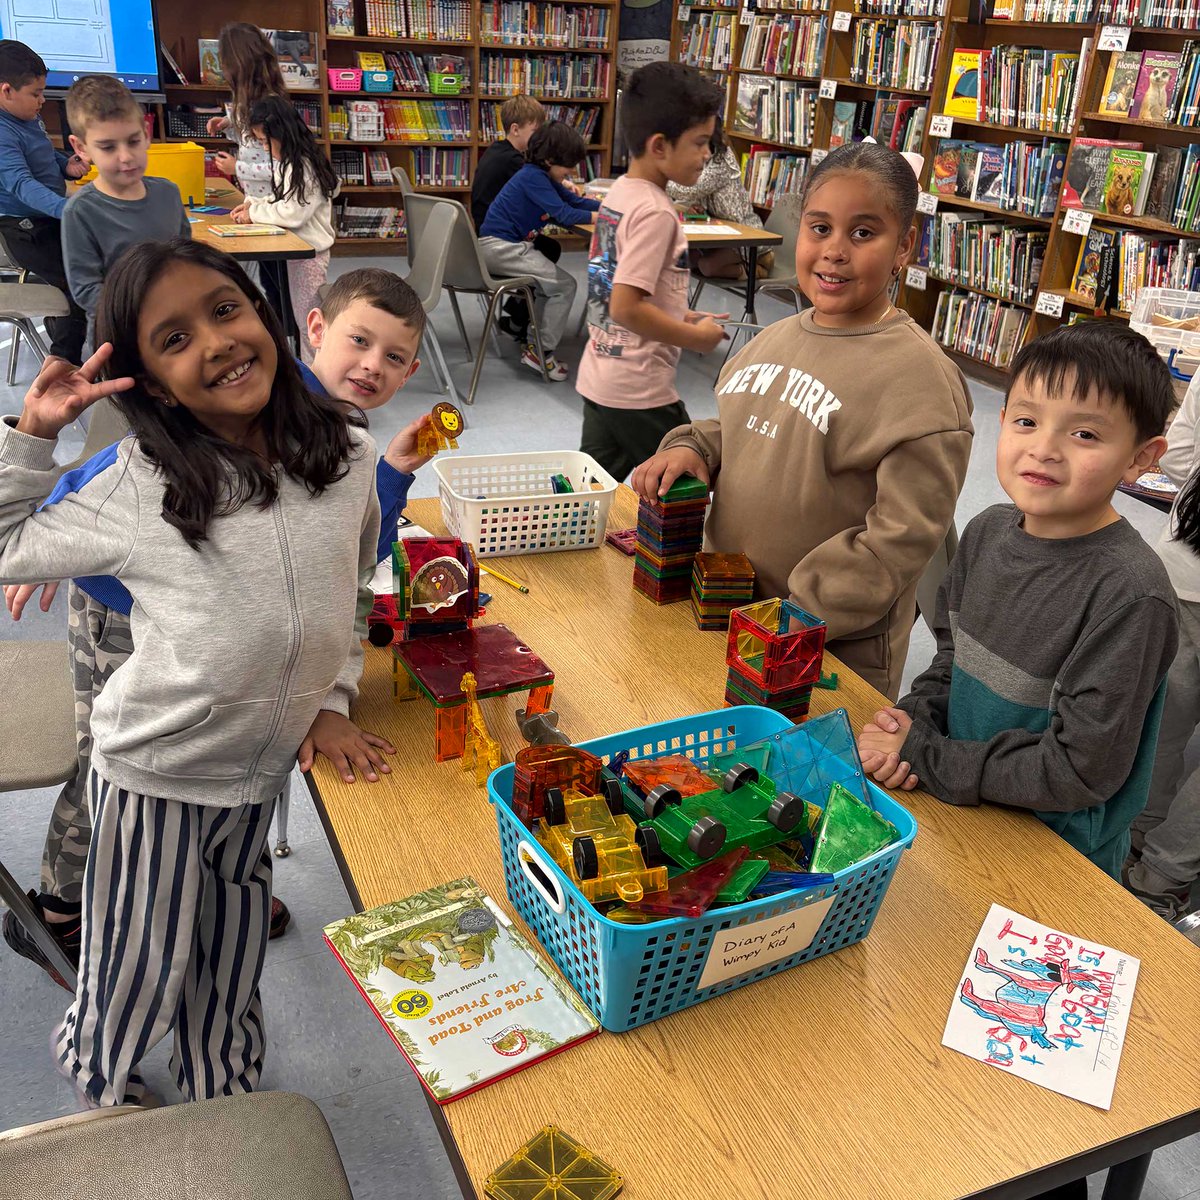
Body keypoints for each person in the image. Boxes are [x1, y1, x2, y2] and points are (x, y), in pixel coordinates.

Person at [0, 237, 385, 1107]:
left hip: (256, 774)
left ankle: (224, 1080)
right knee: (137, 962)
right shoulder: (142, 484)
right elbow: (6, 543)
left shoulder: (348, 454)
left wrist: (331, 697)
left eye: (223, 310)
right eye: (173, 340)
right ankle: (101, 1077)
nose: (213, 343)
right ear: (151, 382)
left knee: (230, 950)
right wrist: (33, 438)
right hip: (156, 780)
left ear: (265, 314)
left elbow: (347, 589)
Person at [632, 141, 973, 696]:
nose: (834, 251)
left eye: (863, 234)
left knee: (791, 776)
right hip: (721, 608)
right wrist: (692, 446)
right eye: (819, 228)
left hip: (823, 649)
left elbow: (903, 538)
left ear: (904, 245)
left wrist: (796, 614)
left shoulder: (921, 382)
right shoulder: (774, 336)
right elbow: (741, 427)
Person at [856, 321, 1179, 884]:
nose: (1045, 449)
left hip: (1054, 857)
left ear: (1140, 458)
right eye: (1027, 422)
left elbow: (1079, 772)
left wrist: (927, 756)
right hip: (965, 812)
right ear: (1001, 424)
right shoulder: (985, 533)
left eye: (1085, 435)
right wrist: (913, 717)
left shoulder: (1131, 596)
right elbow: (954, 661)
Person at [577, 62, 728, 483]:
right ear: (659, 146)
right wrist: (693, 337)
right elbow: (626, 306)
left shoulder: (621, 193)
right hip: (640, 388)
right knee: (692, 482)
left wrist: (684, 316)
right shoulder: (658, 213)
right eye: (700, 142)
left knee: (588, 495)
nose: (707, 154)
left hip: (603, 377)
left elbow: (628, 294)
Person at [1127, 369, 1200, 923]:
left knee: (1164, 724)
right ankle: (1163, 879)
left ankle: (1134, 839)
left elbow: (1175, 463)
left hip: (1181, 570)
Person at [61, 75, 191, 348]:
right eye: (108, 147)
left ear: (145, 134)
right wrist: (145, 312)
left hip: (177, 329)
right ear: (81, 148)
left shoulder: (168, 193)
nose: (125, 156)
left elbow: (187, 257)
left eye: (133, 141)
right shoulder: (80, 211)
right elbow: (86, 290)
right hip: (120, 338)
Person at [478, 121, 600, 381]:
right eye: (568, 166)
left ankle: (536, 347)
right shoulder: (533, 177)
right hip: (500, 248)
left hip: (507, 246)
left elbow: (573, 200)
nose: (571, 172)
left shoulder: (540, 174)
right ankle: (541, 352)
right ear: (550, 159)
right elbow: (565, 214)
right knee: (564, 286)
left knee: (552, 287)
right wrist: (606, 217)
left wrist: (607, 206)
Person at [231, 95, 338, 364]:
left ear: (282, 133)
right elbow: (282, 199)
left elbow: (293, 213)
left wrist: (254, 213)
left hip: (308, 256)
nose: (266, 148)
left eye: (266, 142)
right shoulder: (291, 162)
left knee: (308, 322)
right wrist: (253, 203)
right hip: (297, 252)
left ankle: (316, 379)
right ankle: (307, 370)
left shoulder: (303, 165)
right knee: (299, 318)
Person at [0, 40, 88, 361]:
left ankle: (70, 333)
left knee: (95, 262)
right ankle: (64, 363)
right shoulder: (2, 132)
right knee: (75, 282)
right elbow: (21, 184)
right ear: (6, 91)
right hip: (22, 229)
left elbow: (41, 153)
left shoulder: (25, 116)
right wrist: (66, 208)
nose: (43, 99)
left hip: (46, 217)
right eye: (35, 93)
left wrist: (65, 164)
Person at [471, 95, 555, 340]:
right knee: (548, 250)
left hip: (485, 231)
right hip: (496, 239)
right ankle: (520, 319)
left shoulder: (498, 150)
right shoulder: (514, 161)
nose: (540, 139)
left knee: (546, 248)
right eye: (535, 131)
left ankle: (516, 315)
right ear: (516, 129)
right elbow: (542, 188)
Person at [666, 116, 773, 280]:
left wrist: (659, 178)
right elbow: (700, 192)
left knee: (707, 267)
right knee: (688, 257)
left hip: (745, 234)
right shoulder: (705, 158)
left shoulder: (721, 160)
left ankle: (756, 270)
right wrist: (700, 205)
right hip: (723, 231)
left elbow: (691, 189)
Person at [204, 22, 286, 202]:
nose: (222, 70)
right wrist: (228, 122)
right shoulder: (248, 101)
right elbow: (248, 138)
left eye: (224, 64)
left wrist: (238, 168)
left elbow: (283, 170)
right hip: (255, 202)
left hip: (274, 205)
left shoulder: (271, 107)